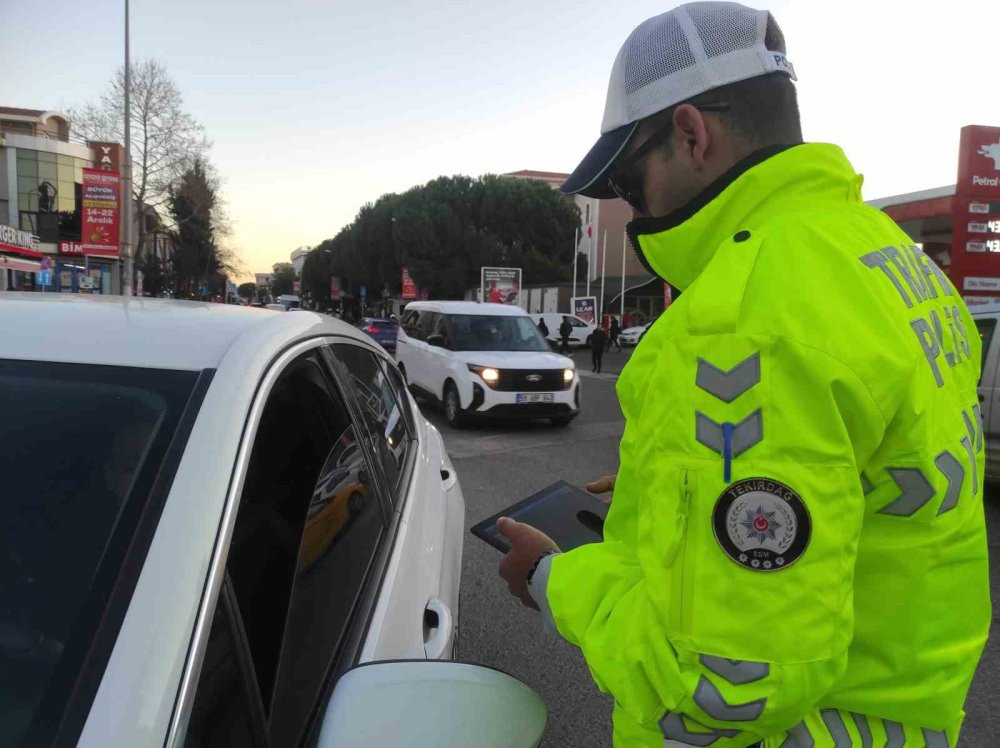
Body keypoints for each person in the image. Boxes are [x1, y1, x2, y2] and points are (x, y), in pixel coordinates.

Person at [497, 4, 990, 747]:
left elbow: (718, 689)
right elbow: (862, 478)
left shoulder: (740, 318)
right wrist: (672, 482)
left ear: (691, 134)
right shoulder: (890, 257)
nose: (637, 209)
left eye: (631, 181)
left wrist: (550, 580)